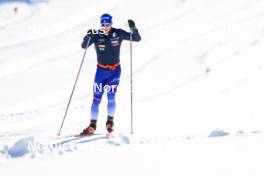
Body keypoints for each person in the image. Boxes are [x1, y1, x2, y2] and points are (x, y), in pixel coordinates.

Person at [80, 13, 141, 135]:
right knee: (96, 99)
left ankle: (110, 122)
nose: (105, 26)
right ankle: (92, 125)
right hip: (100, 72)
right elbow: (84, 46)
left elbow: (136, 38)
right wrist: (87, 36)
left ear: (111, 23)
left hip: (114, 72)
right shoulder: (97, 35)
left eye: (107, 23)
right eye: (103, 24)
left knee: (111, 96)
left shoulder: (118, 33)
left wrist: (133, 28)